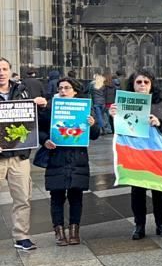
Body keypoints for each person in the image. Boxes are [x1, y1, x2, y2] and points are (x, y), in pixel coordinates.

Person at [110, 69, 162, 240]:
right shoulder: (124, 102)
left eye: (146, 82)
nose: (142, 85)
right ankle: (139, 225)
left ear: (151, 84)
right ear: (133, 85)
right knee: (138, 190)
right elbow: (117, 131)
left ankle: (161, 224)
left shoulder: (161, 101)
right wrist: (113, 115)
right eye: (139, 82)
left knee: (160, 190)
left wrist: (159, 122)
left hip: (157, 152)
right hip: (135, 152)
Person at [38, 77, 102, 246]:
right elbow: (40, 130)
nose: (63, 91)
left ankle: (74, 230)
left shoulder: (84, 108)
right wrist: (45, 141)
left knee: (76, 196)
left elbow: (95, 134)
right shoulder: (52, 108)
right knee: (57, 196)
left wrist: (93, 124)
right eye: (60, 88)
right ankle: (59, 231)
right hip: (56, 157)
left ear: (75, 91)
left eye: (67, 88)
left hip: (77, 158)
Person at [0, 58, 48, 250]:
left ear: (11, 71)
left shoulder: (22, 92)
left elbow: (39, 121)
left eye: (4, 69)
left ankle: (21, 236)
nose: (1, 73)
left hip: (19, 155)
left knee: (23, 197)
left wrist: (42, 106)